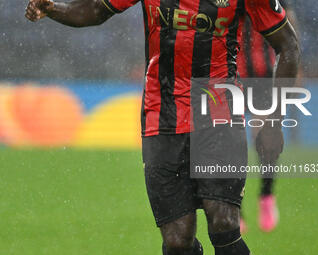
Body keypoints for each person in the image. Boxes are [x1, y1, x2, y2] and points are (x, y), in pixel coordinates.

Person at [25, 0, 300, 254]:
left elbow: (288, 45)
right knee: (177, 240)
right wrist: (52, 8)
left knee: (224, 221)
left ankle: (263, 202)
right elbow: (97, 10)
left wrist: (274, 124)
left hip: (219, 113)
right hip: (162, 115)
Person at [237, 0, 298, 233]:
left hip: (262, 77)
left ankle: (266, 195)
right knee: (231, 143)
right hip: (230, 74)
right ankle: (236, 207)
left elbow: (289, 28)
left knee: (265, 139)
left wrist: (295, 68)